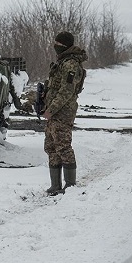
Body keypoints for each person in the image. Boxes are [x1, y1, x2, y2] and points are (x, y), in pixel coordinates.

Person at [42, 31, 87, 195]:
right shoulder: (61, 63)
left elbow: (66, 92)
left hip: (63, 112)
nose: (55, 46)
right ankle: (55, 186)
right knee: (51, 147)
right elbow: (54, 88)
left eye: (58, 44)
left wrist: (51, 109)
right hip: (53, 112)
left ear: (65, 45)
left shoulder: (70, 65)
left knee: (63, 147)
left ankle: (70, 187)